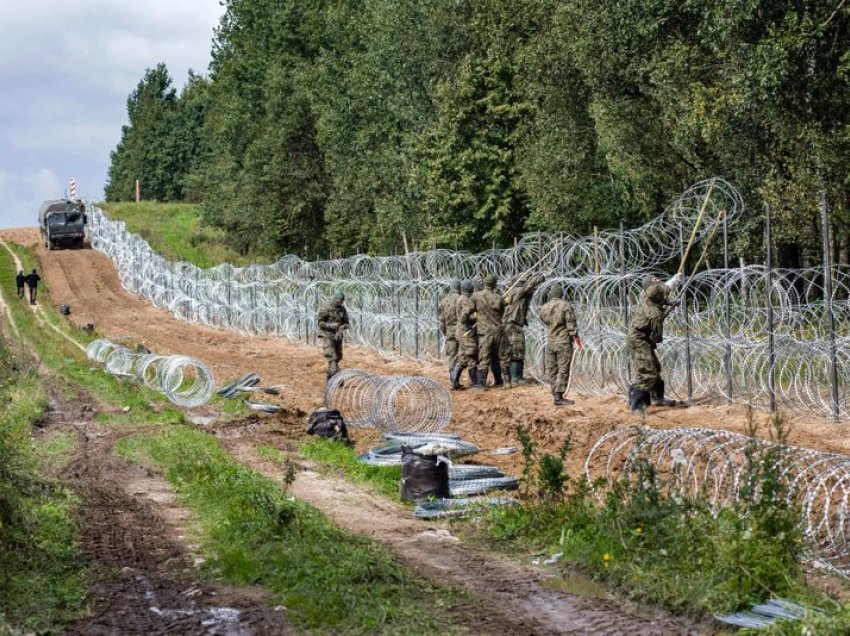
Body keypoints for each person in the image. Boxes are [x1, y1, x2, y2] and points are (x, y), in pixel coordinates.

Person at [626, 273, 683, 413]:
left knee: (654, 367)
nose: (660, 283)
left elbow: (659, 293)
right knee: (648, 372)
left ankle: (657, 398)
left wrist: (669, 301)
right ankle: (637, 404)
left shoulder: (645, 296)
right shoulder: (655, 314)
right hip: (639, 339)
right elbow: (657, 336)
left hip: (640, 337)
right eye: (656, 283)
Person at [501, 272, 546, 387]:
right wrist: (541, 276)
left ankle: (513, 377)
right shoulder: (518, 291)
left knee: (513, 350)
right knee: (517, 349)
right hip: (513, 324)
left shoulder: (511, 292)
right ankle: (516, 378)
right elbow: (531, 284)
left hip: (509, 324)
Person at [539, 284, 581, 406]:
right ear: (561, 294)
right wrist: (576, 339)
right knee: (563, 368)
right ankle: (559, 396)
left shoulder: (544, 307)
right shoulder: (565, 306)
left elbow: (544, 320)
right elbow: (571, 324)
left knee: (552, 369)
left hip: (551, 341)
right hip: (563, 341)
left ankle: (555, 393)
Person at [471, 274, 505, 390]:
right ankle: (499, 380)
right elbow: (501, 313)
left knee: (484, 357)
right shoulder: (498, 297)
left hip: (484, 332)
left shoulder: (476, 296)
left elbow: (468, 310)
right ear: (494, 284)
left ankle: (481, 385)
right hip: (497, 331)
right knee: (497, 357)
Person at [317, 291, 350, 380]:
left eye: (342, 301)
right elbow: (320, 323)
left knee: (338, 357)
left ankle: (330, 375)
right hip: (326, 335)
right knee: (332, 356)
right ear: (335, 299)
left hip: (337, 336)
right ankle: (337, 379)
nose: (340, 302)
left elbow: (347, 324)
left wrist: (342, 327)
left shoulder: (342, 310)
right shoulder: (326, 308)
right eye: (339, 300)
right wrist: (329, 325)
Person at [439, 280, 464, 389]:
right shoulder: (460, 299)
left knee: (452, 355)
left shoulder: (444, 300)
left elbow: (441, 320)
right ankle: (456, 379)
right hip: (460, 329)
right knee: (462, 354)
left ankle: (453, 380)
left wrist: (445, 331)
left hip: (449, 329)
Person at [456, 281, 479, 388]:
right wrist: (477, 317)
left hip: (460, 331)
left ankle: (455, 381)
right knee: (471, 356)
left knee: (462, 356)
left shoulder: (460, 298)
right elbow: (465, 316)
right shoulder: (465, 300)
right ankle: (474, 383)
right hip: (465, 331)